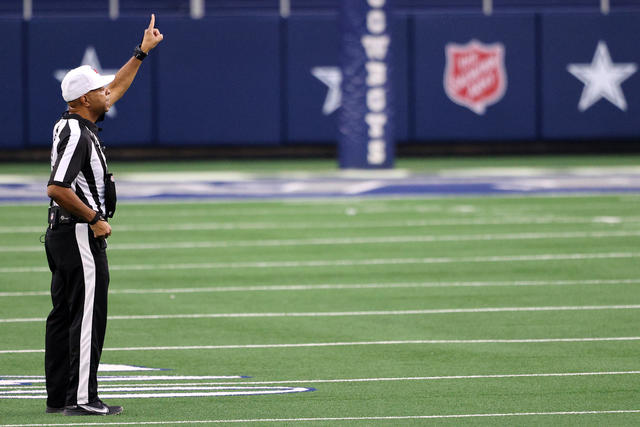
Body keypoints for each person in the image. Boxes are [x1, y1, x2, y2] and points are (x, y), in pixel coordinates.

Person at [44, 15, 163, 416]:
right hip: (78, 233)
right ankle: (81, 399)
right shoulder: (77, 131)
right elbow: (57, 188)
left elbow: (117, 87)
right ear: (82, 99)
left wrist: (140, 53)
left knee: (64, 315)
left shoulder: (76, 122)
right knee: (87, 319)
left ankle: (60, 395)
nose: (105, 93)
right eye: (97, 90)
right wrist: (95, 218)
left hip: (62, 235)